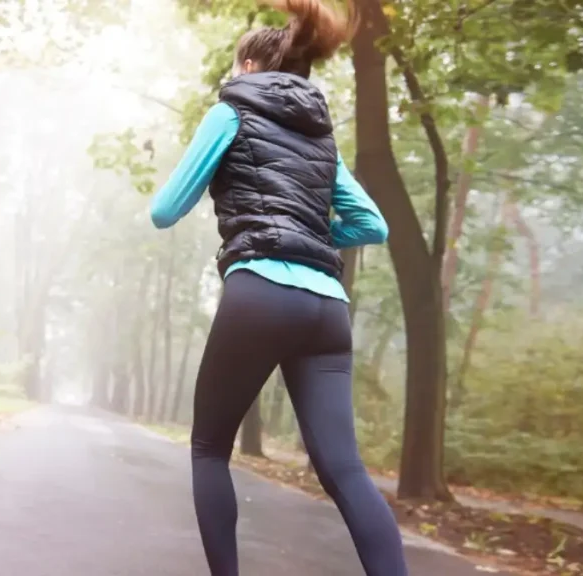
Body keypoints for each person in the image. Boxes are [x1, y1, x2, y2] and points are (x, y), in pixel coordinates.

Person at [147, 0, 409, 574]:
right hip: (328, 308)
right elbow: (373, 225)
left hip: (260, 291)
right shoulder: (322, 141)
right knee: (345, 470)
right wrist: (312, 234)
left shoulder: (230, 113)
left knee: (210, 449)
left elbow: (165, 211)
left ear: (246, 67)